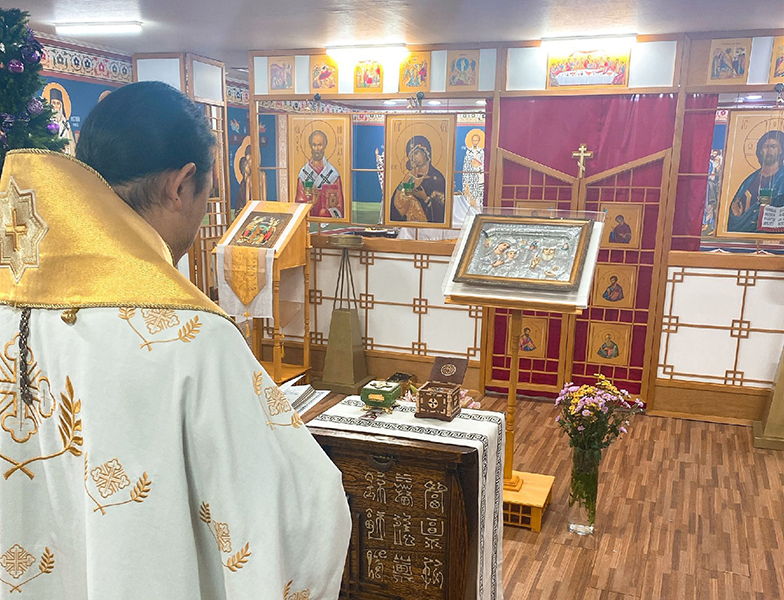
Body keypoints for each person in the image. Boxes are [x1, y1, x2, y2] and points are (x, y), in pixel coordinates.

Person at [0, 81, 350, 599]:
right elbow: (296, 514)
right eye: (208, 193)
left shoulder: (10, 304)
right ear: (181, 184)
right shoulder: (193, 338)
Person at [727, 130, 784, 233]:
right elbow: (735, 213)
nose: (769, 150)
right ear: (761, 151)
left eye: (773, 147)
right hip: (745, 234)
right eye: (766, 147)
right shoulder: (750, 181)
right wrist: (737, 216)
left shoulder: (782, 178)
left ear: (780, 150)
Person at [390, 135, 447, 224]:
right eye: (411, 156)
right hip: (409, 226)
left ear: (426, 152)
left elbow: (441, 211)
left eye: (416, 153)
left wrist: (425, 198)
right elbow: (395, 208)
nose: (414, 158)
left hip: (430, 228)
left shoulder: (437, 178)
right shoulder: (409, 178)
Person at [294, 129, 345, 219]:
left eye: (320, 145)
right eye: (314, 145)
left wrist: (325, 212)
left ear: (325, 146)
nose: (317, 149)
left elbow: (339, 207)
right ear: (310, 146)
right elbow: (299, 204)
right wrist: (312, 203)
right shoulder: (304, 173)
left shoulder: (333, 174)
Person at [48, 87, 75, 155]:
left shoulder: (66, 124)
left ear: (61, 105)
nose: (56, 106)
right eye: (54, 103)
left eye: (58, 103)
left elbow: (71, 144)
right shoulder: (47, 121)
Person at [462, 132, 485, 209]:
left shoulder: (481, 152)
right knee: (469, 194)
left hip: (478, 176)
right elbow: (466, 164)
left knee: (478, 195)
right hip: (470, 176)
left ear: (479, 141)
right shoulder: (469, 152)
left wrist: (479, 167)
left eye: (476, 140)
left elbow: (483, 163)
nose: (475, 142)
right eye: (473, 140)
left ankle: (478, 210)